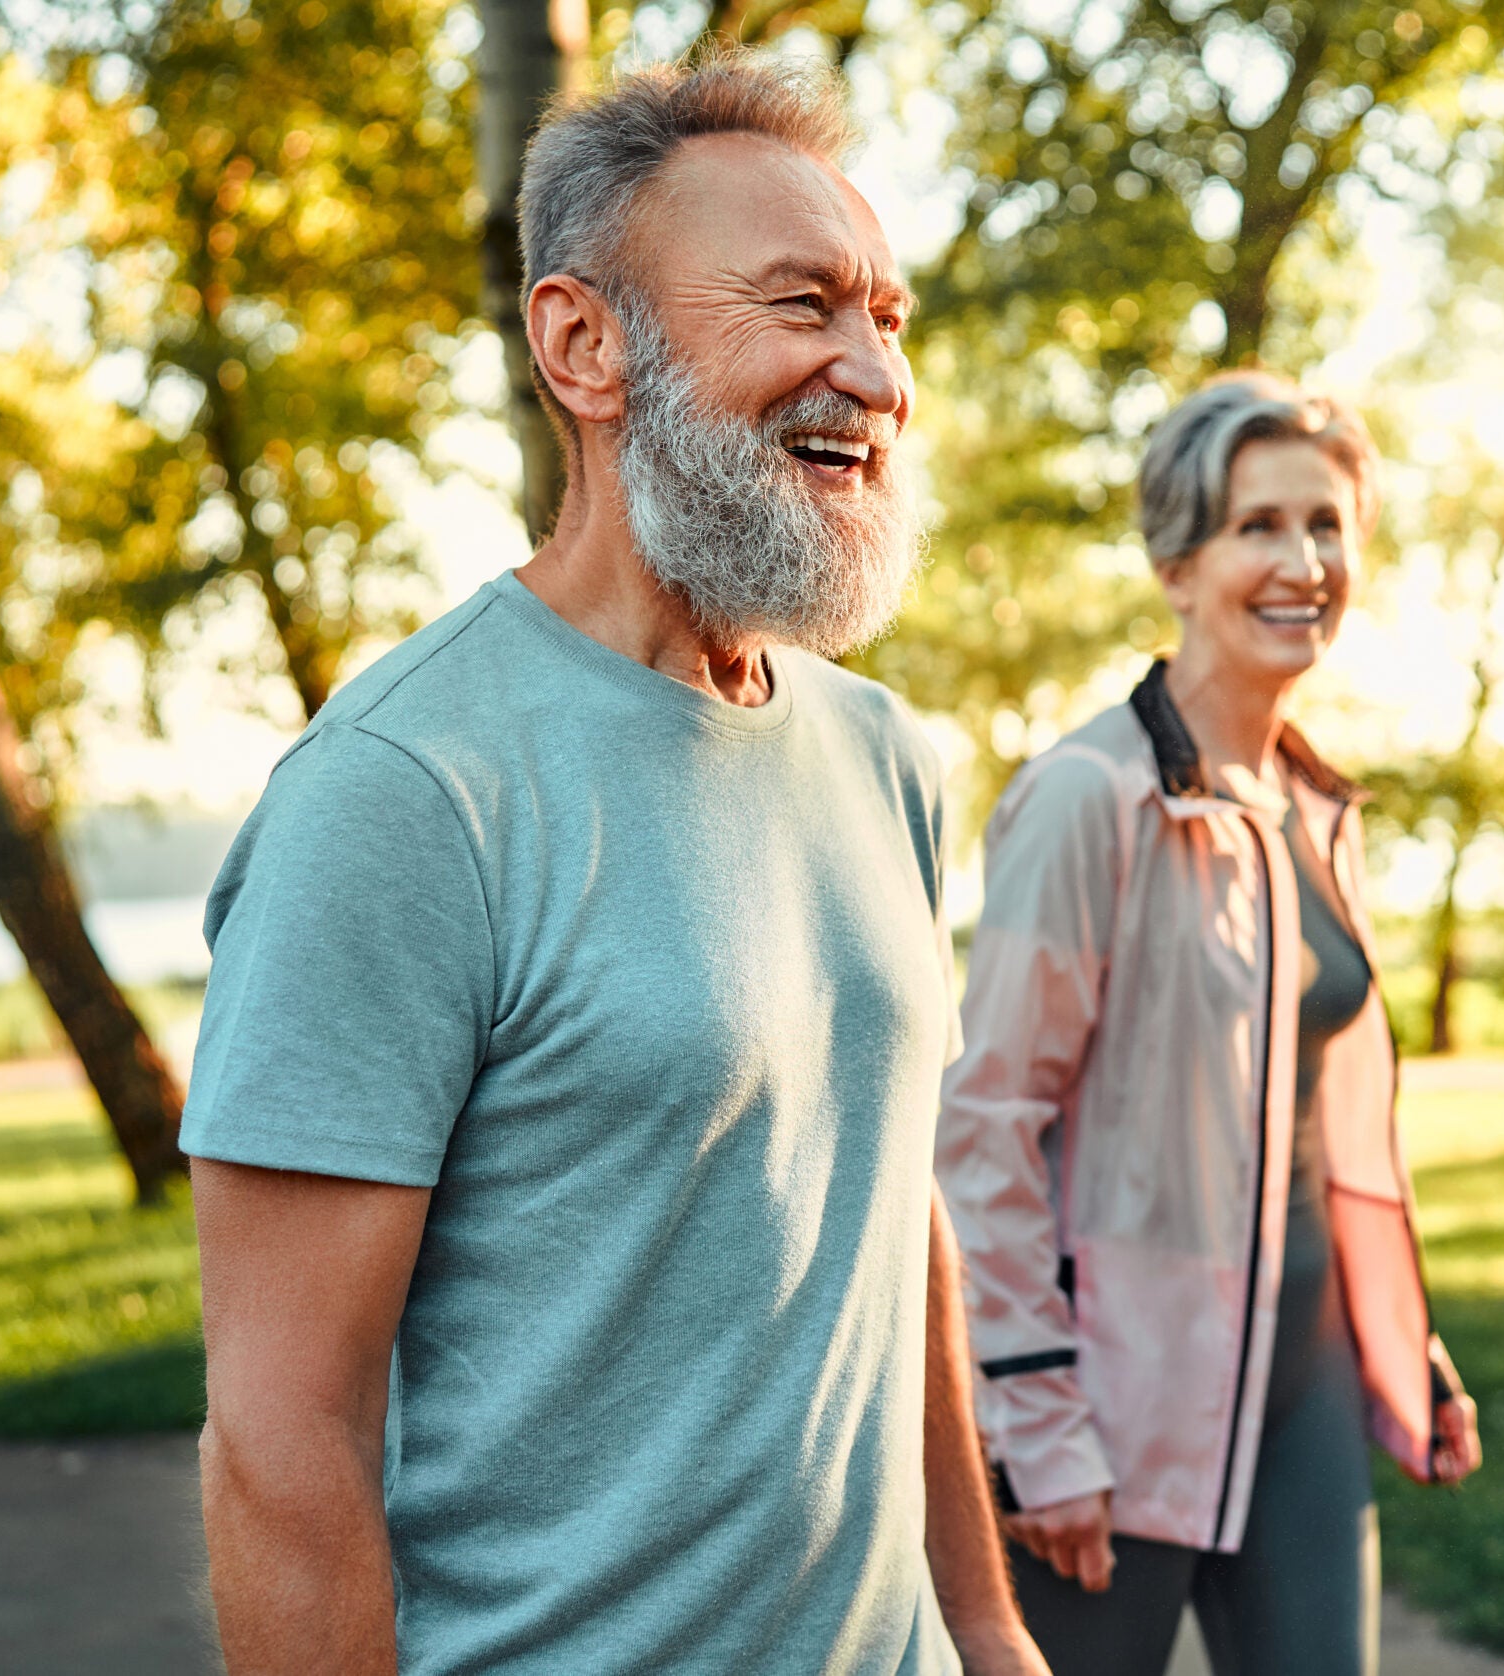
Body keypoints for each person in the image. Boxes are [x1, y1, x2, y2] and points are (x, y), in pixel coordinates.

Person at [184, 60, 1044, 1676]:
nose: (870, 371)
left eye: (889, 316)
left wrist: (983, 1624)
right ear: (584, 346)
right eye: (802, 306)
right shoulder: (401, 794)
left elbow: (890, 1210)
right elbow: (280, 1444)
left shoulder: (883, 759)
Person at [935, 374, 1484, 1676]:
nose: (1303, 563)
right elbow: (985, 1130)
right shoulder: (1088, 797)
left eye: (1327, 525)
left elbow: (1300, 1127)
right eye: (1258, 527)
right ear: (1178, 565)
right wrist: (1036, 1424)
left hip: (1306, 1398)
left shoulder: (1312, 804)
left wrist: (1405, 1341)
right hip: (1114, 1413)